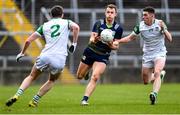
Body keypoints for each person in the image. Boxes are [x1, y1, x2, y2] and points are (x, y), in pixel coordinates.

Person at [5, 5, 80, 107]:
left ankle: (17, 95)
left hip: (46, 56)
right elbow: (76, 27)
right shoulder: (66, 22)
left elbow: (28, 41)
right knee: (52, 80)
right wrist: (74, 44)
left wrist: (22, 53)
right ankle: (34, 100)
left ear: (51, 15)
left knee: (31, 76)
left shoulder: (45, 26)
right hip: (59, 59)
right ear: (62, 15)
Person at [117, 6, 172, 105]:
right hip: (147, 55)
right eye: (143, 15)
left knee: (157, 71)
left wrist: (164, 29)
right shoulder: (140, 26)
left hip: (160, 53)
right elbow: (130, 38)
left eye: (145, 15)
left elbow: (170, 38)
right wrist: (118, 41)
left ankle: (154, 94)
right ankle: (159, 76)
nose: (143, 17)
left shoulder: (160, 23)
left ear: (152, 16)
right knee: (146, 81)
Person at [76, 4, 123, 105]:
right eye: (108, 12)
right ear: (105, 13)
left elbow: (116, 46)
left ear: (115, 14)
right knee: (79, 76)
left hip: (103, 55)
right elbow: (91, 39)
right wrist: (95, 39)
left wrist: (110, 43)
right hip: (90, 51)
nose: (109, 15)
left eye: (112, 13)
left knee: (95, 77)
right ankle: (87, 71)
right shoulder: (98, 23)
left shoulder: (118, 28)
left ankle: (84, 99)